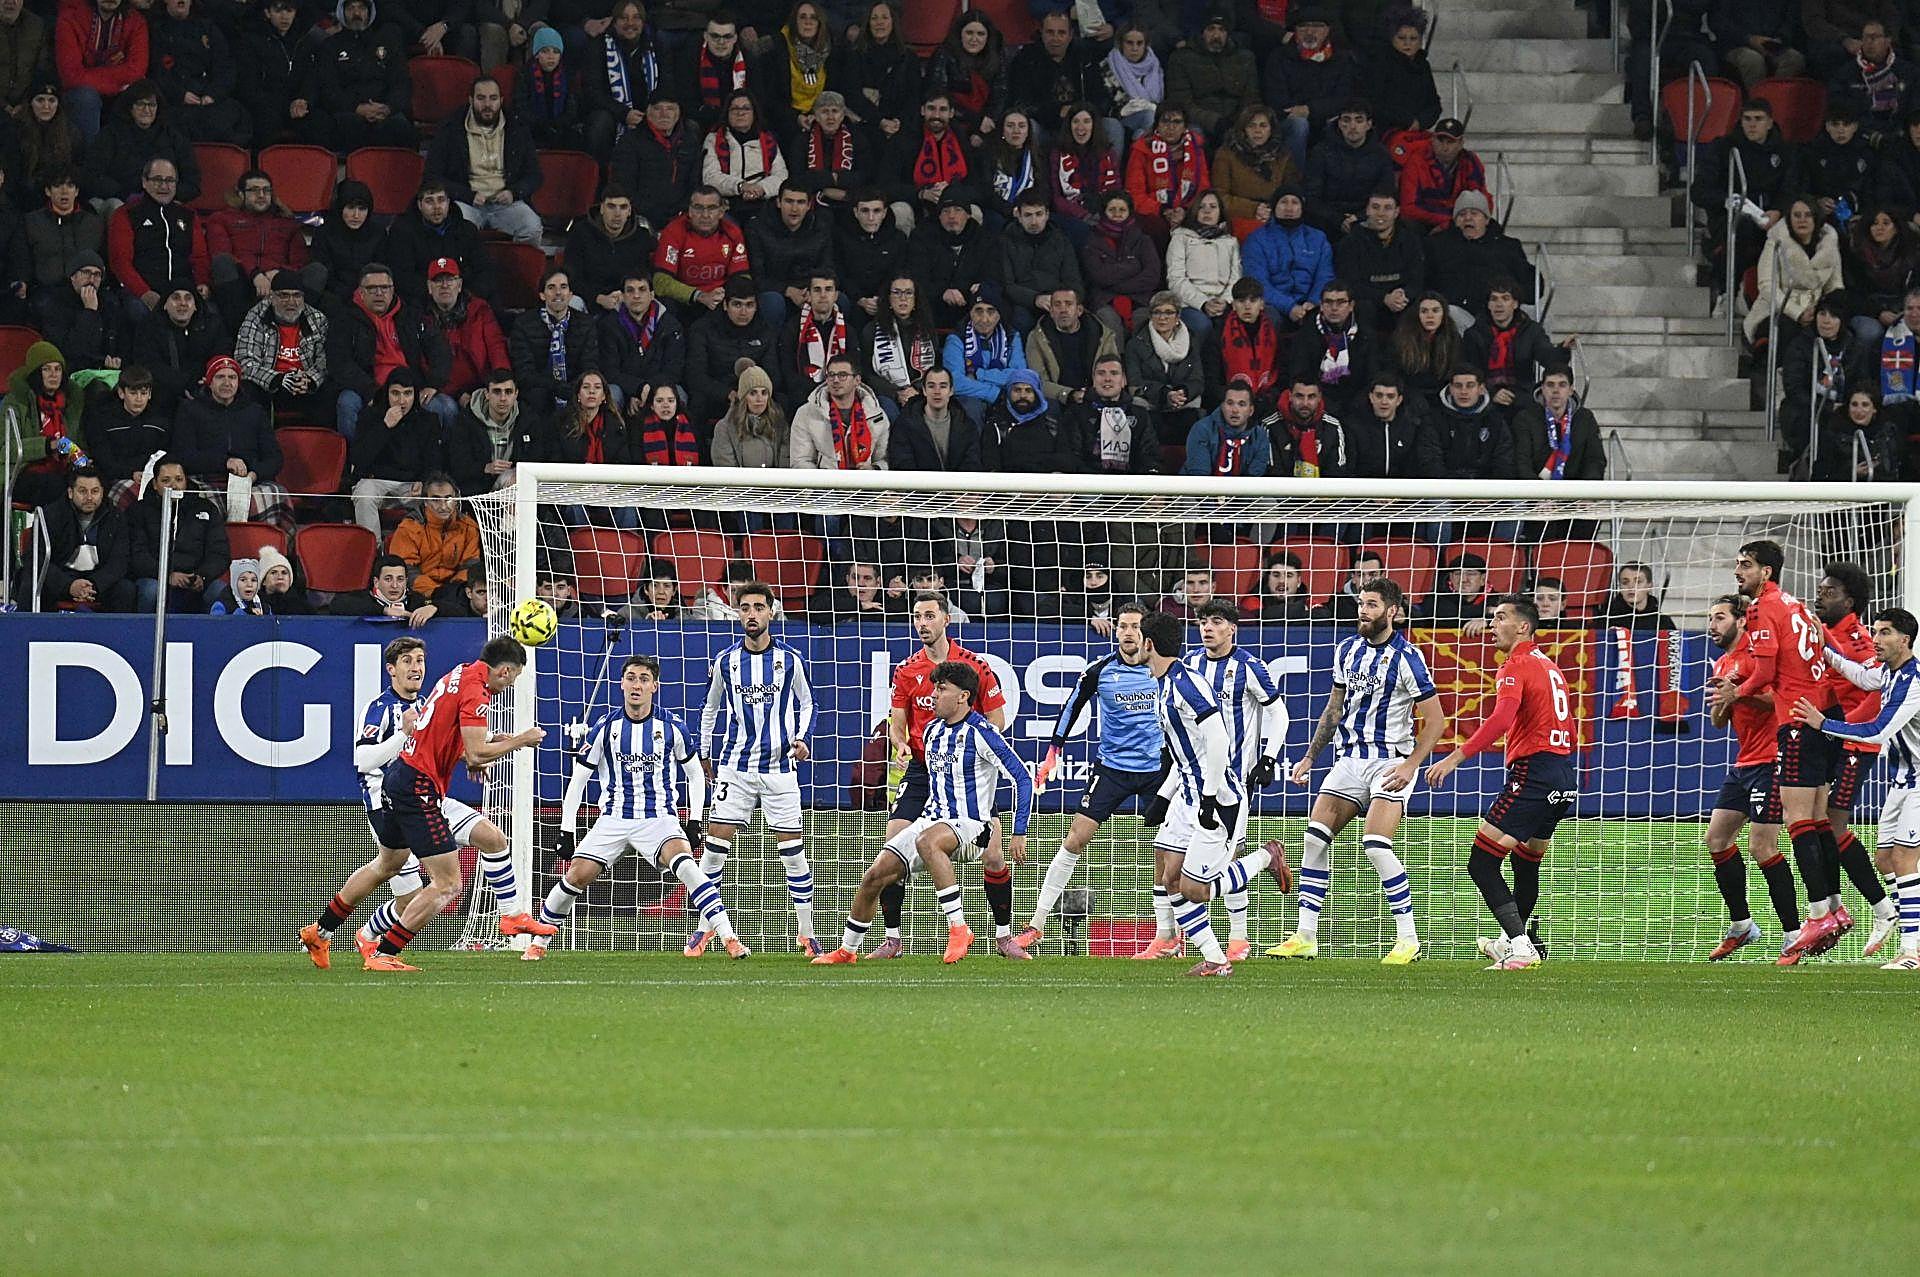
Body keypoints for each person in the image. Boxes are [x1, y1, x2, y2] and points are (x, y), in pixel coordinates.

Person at [313, 635, 546, 972]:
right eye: (407, 660)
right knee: (446, 883)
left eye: (419, 659)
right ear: (506, 672)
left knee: (487, 840)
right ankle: (381, 951)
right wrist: (521, 739)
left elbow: (458, 741)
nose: (416, 666)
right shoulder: (393, 705)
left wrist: (485, 747)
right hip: (411, 789)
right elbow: (364, 759)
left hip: (414, 784)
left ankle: (322, 930)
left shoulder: (458, 674)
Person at [813, 656, 1034, 965]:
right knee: (874, 876)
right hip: (933, 820)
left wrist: (1018, 832)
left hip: (973, 826)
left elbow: (1023, 779)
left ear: (962, 697)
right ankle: (847, 950)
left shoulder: (983, 733)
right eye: (934, 688)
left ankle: (959, 928)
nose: (933, 695)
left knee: (926, 841)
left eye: (941, 689)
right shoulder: (931, 731)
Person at [533, 653, 749, 962]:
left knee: (688, 866)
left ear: (655, 687)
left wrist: (695, 820)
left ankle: (730, 938)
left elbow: (695, 775)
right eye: (631, 678)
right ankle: (538, 942)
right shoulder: (606, 728)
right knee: (575, 877)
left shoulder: (672, 727)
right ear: (621, 684)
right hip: (614, 818)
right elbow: (578, 780)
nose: (637, 685)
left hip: (658, 819)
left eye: (644, 679)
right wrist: (567, 830)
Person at [1269, 576, 1441, 961]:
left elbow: (1436, 720)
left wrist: (1412, 765)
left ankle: (1408, 939)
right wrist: (1311, 757)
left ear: (1392, 611)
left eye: (1372, 605)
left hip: (1390, 761)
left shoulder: (1408, 658)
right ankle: (1305, 936)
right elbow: (1333, 709)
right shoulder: (1346, 650)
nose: (1363, 611)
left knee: (1376, 845)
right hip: (1349, 761)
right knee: (1314, 839)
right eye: (1361, 604)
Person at [859, 592, 1018, 958]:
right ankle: (893, 939)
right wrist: (900, 745)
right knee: (893, 843)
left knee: (993, 856)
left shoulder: (974, 666)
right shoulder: (907, 671)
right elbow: (896, 725)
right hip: (920, 769)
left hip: (964, 772)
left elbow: (997, 720)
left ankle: (1004, 937)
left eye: (929, 616)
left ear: (946, 620)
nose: (922, 624)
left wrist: (976, 749)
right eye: (917, 617)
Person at [1425, 596, 1576, 969]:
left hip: (1534, 775)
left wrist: (1454, 757)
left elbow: (1500, 720)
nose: (1492, 625)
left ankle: (1521, 946)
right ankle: (1513, 941)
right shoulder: (1550, 666)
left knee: (1482, 862)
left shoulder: (1517, 664)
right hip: (1563, 777)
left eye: (1501, 617)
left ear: (1523, 627)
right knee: (1526, 862)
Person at [1135, 608, 1285, 976]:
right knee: (1167, 875)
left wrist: (1209, 795)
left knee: (1194, 890)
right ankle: (1216, 959)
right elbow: (1187, 752)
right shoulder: (1169, 680)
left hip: (1219, 796)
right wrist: (1166, 796)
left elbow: (1217, 737)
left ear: (1149, 644)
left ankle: (1266, 857)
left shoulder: (1187, 683)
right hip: (1187, 793)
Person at [1720, 540, 1845, 964]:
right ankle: (1832, 906)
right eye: (1737, 564)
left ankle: (1816, 918)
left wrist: (1737, 691)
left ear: (1767, 572)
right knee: (1815, 820)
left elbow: (1767, 672)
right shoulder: (1801, 606)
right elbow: (1834, 654)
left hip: (1795, 721)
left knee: (1798, 823)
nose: (1739, 571)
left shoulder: (1760, 609)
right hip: (1822, 717)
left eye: (1747, 565)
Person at [1016, 600, 1165, 950]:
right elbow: (1071, 708)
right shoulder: (1100, 671)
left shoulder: (1162, 671)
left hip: (1158, 769)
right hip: (1112, 769)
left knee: (1169, 849)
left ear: (1147, 633)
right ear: (1115, 630)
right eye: (1123, 626)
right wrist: (1053, 753)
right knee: (1074, 839)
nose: (1129, 633)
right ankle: (1036, 924)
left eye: (1135, 626)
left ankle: (1167, 936)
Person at [691, 580, 820, 954]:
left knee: (794, 852)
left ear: (771, 612)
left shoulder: (790, 660)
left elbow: (809, 703)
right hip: (735, 768)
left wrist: (802, 737)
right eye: (745, 608)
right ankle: (707, 928)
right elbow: (710, 708)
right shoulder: (725, 661)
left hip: (780, 769)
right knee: (714, 850)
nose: (751, 614)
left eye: (758, 607)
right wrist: (704, 751)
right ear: (737, 613)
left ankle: (806, 933)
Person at [1800, 605, 1920, 968]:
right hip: (1905, 776)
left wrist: (1823, 724)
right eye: (1875, 631)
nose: (1875, 639)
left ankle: (1912, 950)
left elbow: (1877, 730)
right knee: (1885, 858)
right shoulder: (1887, 672)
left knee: (1903, 858)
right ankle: (1911, 933)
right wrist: (1823, 649)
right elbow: (1862, 677)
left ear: (1905, 639)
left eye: (1884, 633)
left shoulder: (1913, 681)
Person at [1179, 601, 1290, 959]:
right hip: (1195, 778)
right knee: (1175, 856)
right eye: (1202, 621)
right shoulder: (1190, 665)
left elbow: (1279, 713)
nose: (1207, 628)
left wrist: (1269, 758)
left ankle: (1237, 938)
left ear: (1232, 629)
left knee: (1229, 854)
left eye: (1216, 622)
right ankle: (1171, 937)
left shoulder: (1249, 667)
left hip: (1232, 781)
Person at [1702, 588, 1800, 954]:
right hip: (1744, 763)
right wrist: (1722, 700)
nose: (1713, 625)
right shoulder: (1721, 664)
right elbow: (1717, 722)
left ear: (1742, 620)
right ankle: (1742, 924)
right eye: (1710, 618)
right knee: (1717, 840)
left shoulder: (1759, 658)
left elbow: (1781, 699)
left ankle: (1793, 934)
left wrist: (1739, 692)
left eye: (1720, 618)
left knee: (1763, 846)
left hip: (1772, 760)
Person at [1812, 560, 1901, 952]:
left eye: (1830, 592)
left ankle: (1882, 909)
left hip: (1854, 744)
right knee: (1816, 824)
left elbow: (1875, 692)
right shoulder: (1825, 632)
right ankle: (1834, 907)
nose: (1820, 596)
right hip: (1834, 739)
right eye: (1820, 589)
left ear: (1850, 601)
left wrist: (1844, 729)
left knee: (1831, 825)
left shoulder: (1862, 642)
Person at [328, 264, 456, 441]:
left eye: (384, 288)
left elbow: (439, 348)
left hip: (408, 388)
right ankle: (352, 463)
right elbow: (339, 363)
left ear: (393, 289)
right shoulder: (345, 319)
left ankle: (438, 465)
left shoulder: (411, 315)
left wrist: (434, 383)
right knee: (347, 403)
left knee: (447, 407)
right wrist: (370, 390)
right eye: (372, 288)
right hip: (367, 387)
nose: (379, 293)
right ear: (361, 292)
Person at [424, 77, 545, 248]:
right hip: (466, 202)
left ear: (501, 100)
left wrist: (514, 192)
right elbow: (432, 175)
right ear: (471, 100)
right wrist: (467, 195)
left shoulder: (518, 128)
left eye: (493, 98)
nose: (487, 104)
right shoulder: (450, 128)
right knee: (454, 228)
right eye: (481, 98)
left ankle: (517, 272)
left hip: (507, 202)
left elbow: (535, 175)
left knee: (532, 227)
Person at [205, 171, 313, 332]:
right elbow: (221, 252)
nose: (261, 195)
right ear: (241, 194)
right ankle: (241, 332)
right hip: (240, 284)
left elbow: (300, 262)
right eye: (254, 190)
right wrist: (254, 274)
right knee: (222, 262)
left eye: (266, 190)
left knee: (317, 271)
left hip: (279, 285)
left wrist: (278, 273)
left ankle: (296, 334)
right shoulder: (222, 218)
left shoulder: (286, 222)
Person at [15, 465, 132, 610]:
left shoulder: (116, 517)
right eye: (82, 491)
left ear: (103, 493)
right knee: (31, 583)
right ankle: (29, 631)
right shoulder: (51, 515)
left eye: (95, 491)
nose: (89, 497)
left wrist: (94, 584)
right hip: (60, 578)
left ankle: (116, 633)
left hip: (96, 581)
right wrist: (68, 585)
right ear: (70, 492)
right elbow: (35, 558)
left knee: (125, 589)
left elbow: (119, 561)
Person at [105, 157, 209, 313]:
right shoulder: (125, 214)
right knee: (138, 311)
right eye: (157, 180)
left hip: (182, 293)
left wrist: (202, 283)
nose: (164, 186)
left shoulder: (188, 215)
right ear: (144, 182)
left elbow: (199, 257)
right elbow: (120, 262)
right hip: (141, 292)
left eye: (170, 181)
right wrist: (145, 294)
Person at [127, 454, 226, 613]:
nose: (174, 485)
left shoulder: (206, 508)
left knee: (219, 590)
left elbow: (219, 552)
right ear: (154, 484)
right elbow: (136, 555)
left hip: (195, 580)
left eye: (179, 479)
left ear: (186, 481)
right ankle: (143, 636)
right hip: (154, 577)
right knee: (151, 591)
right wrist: (167, 575)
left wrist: (202, 576)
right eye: (166, 481)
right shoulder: (138, 511)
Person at [1261, 7, 1355, 168]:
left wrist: (1310, 109)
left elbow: (1344, 97)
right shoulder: (1279, 57)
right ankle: (1294, 180)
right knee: (1299, 124)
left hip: (1325, 119)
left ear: (1327, 30)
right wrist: (1302, 112)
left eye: (1317, 26)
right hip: (1289, 122)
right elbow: (1276, 99)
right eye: (1303, 26)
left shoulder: (1342, 59)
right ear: (1295, 31)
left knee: (1344, 123)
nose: (1310, 31)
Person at [508, 267, 605, 413]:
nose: (558, 292)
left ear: (571, 294)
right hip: (540, 390)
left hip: (576, 388)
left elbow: (589, 365)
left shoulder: (586, 323)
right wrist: (556, 387)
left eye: (563, 287)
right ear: (542, 295)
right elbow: (524, 373)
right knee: (537, 397)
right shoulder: (523, 324)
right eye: (551, 287)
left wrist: (575, 388)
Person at [233, 272, 330, 419]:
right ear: (272, 297)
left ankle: (320, 440)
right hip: (270, 384)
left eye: (297, 295)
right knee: (247, 388)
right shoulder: (256, 316)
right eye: (284, 295)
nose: (291, 301)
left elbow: (325, 361)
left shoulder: (317, 319)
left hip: (305, 385)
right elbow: (244, 361)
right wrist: (278, 379)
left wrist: (309, 380)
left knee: (331, 389)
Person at [610, 91, 704, 237]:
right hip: (642, 216)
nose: (664, 114)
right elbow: (624, 185)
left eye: (670, 109)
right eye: (657, 109)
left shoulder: (690, 142)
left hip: (682, 215)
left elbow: (695, 183)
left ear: (678, 113)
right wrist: (650, 212)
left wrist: (683, 210)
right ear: (647, 112)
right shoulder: (630, 142)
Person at [420, 258, 509, 411]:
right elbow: (422, 363)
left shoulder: (480, 310)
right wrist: (455, 392)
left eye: (450, 280)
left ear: (459, 285)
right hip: (442, 389)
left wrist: (501, 382)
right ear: (429, 287)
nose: (445, 286)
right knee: (442, 407)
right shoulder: (420, 318)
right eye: (438, 281)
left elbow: (496, 346)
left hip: (481, 385)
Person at [685, 275, 778, 422]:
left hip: (755, 395)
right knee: (698, 401)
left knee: (782, 400)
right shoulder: (702, 329)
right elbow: (696, 376)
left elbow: (773, 374)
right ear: (725, 305)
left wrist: (754, 392)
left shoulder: (765, 331)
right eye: (737, 304)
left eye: (749, 305)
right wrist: (728, 394)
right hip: (718, 395)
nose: (743, 312)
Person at [55, 0, 150, 142]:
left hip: (114, 91)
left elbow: (137, 70)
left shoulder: (135, 21)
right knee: (86, 97)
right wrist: (117, 80)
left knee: (142, 92)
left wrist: (91, 74)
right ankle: (91, 160)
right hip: (80, 93)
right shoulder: (70, 18)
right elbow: (71, 76)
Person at [1334, 187, 1423, 333]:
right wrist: (1384, 298)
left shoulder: (1410, 240)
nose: (1381, 213)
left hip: (1400, 302)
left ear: (1396, 212)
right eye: (1375, 207)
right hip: (1367, 305)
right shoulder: (1350, 243)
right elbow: (1349, 284)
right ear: (1367, 210)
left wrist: (1403, 294)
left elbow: (1417, 279)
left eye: (1387, 208)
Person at [652, 186, 751, 316]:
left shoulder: (732, 232)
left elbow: (742, 276)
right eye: (698, 208)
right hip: (684, 302)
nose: (705, 215)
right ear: (690, 211)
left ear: (721, 212)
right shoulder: (673, 232)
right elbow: (661, 282)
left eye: (711, 208)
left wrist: (726, 294)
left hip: (719, 300)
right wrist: (699, 296)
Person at [1306, 99, 1398, 238]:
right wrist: (1338, 219)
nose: (1352, 126)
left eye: (1359, 120)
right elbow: (1312, 196)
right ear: (1339, 123)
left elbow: (1385, 193)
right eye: (1346, 120)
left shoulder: (1381, 154)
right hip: (1327, 219)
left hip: (1367, 218)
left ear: (1369, 124)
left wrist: (1359, 217)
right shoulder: (1321, 151)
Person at [1241, 184, 1332, 324]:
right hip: (1274, 305)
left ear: (1302, 208)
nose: (1289, 208)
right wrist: (1289, 307)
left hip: (1310, 304)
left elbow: (1324, 276)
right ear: (1274, 207)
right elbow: (1258, 282)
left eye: (1295, 202)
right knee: (1269, 318)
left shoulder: (1318, 238)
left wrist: (1313, 302)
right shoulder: (1257, 239)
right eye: (1283, 202)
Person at [580, 1, 661, 155]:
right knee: (600, 122)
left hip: (648, 111)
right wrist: (624, 113)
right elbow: (593, 92)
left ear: (643, 23)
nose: (630, 23)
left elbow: (666, 83)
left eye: (636, 18)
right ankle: (600, 176)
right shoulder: (598, 46)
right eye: (624, 18)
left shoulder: (655, 44)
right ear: (614, 23)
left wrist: (653, 110)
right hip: (613, 113)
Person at [1288, 278, 1373, 420]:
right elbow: (1299, 374)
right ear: (1321, 305)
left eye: (1340, 302)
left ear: (1351, 305)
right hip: (1318, 403)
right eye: (1328, 302)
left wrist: (1356, 403)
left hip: (1356, 403)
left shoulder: (1364, 334)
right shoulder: (1307, 333)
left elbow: (1371, 375)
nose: (1334, 308)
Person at [1165, 12, 1258, 141]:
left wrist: (1239, 121)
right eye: (1211, 29)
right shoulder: (1181, 58)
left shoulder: (1245, 58)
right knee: (1193, 134)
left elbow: (1251, 97)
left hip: (1238, 121)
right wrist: (1214, 122)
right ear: (1202, 32)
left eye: (1222, 30)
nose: (1216, 35)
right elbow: (1181, 103)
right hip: (1199, 122)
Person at [1124, 102, 1209, 238]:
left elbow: (1203, 187)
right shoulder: (1142, 149)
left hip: (1188, 210)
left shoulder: (1196, 148)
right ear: (1157, 124)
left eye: (1177, 122)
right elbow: (1134, 193)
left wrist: (1185, 210)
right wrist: (1162, 210)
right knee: (1155, 228)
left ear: (1185, 127)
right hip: (1154, 213)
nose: (1171, 127)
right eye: (1165, 121)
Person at [388, 474, 480, 600]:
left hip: (456, 594)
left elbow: (470, 567)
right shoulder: (408, 528)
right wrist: (435, 593)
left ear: (457, 499)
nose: (443, 506)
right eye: (436, 500)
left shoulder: (469, 527)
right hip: (418, 594)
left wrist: (453, 591)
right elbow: (406, 570)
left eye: (448, 499)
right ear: (425, 501)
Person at [667, 12, 762, 133]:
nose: (721, 42)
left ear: (735, 38)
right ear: (705, 36)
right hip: (702, 121)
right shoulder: (691, 58)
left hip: (740, 120)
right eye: (715, 36)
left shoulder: (749, 61)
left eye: (727, 36)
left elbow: (758, 99)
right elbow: (685, 100)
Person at [703, 91, 788, 226]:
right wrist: (741, 186)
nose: (740, 113)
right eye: (735, 109)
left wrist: (760, 188)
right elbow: (710, 177)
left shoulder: (768, 140)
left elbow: (781, 176)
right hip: (726, 205)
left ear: (754, 113)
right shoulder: (714, 139)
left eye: (746, 108)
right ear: (727, 113)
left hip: (762, 203)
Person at [790, 354, 889, 470]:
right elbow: (800, 461)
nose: (835, 380)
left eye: (842, 375)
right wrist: (825, 483)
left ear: (857, 380)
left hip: (866, 485)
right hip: (823, 486)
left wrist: (874, 469)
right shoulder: (806, 413)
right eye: (831, 375)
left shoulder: (877, 415)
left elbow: (885, 460)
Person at [1165, 191, 1239, 340]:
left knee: (1234, 325)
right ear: (1194, 211)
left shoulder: (1230, 242)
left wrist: (1225, 301)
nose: (1207, 211)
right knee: (1201, 325)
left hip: (1222, 303)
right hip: (1189, 305)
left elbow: (1236, 277)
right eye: (1201, 207)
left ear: (1220, 212)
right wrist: (1203, 303)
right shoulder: (1180, 237)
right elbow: (1176, 279)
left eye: (1213, 207)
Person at [1510, 364, 1604, 481]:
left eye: (1562, 385)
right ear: (1543, 389)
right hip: (1533, 493)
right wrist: (1536, 495)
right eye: (1550, 385)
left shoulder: (1585, 418)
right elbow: (1521, 461)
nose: (1556, 390)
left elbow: (1595, 460)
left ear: (1570, 390)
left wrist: (1586, 495)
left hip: (1575, 492)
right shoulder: (1525, 418)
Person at [1047, 103, 1122, 250]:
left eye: (1086, 121)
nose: (1081, 127)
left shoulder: (1108, 153)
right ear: (1069, 126)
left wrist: (1107, 213)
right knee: (1083, 231)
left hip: (1104, 210)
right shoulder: (1057, 153)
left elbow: (1116, 189)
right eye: (1076, 121)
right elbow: (1056, 198)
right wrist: (1084, 215)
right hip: (1072, 213)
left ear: (1094, 125)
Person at [1027, 287, 1118, 407]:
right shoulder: (1037, 338)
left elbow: (1113, 374)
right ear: (1051, 312)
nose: (1063, 310)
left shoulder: (1102, 334)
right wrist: (1068, 394)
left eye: (1068, 304)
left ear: (1079, 310)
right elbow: (1038, 381)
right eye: (1057, 305)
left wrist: (1095, 394)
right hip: (1059, 400)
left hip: (1097, 396)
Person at [943, 295, 1027, 423]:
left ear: (999, 314)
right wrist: (994, 393)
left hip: (1006, 394)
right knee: (972, 407)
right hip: (972, 397)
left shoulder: (1011, 336)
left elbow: (1020, 376)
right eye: (978, 311)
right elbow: (954, 381)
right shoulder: (956, 338)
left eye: (991, 311)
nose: (984, 319)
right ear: (970, 313)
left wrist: (979, 374)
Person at [1398, 116, 1488, 233]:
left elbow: (1482, 201)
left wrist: (1450, 223)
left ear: (1461, 143)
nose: (1445, 147)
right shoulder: (1416, 161)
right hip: (1426, 223)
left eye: (1450, 142)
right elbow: (1408, 208)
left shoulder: (1471, 161)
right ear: (1432, 140)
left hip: (1460, 221)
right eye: (1440, 141)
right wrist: (1449, 221)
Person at [888, 368, 980, 471]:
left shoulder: (967, 425)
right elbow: (901, 464)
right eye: (931, 386)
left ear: (951, 391)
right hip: (918, 485)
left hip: (957, 486)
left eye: (943, 386)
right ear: (924, 390)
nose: (937, 392)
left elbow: (972, 465)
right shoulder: (905, 423)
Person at [1182, 380, 1272, 478]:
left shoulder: (1260, 436)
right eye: (1230, 403)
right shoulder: (1202, 429)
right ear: (1222, 406)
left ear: (1251, 410)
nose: (1235, 410)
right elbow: (1199, 476)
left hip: (1244, 491)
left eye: (1241, 404)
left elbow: (1254, 478)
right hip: (1199, 490)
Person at [710, 364, 792, 470]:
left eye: (764, 393)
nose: (759, 399)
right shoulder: (724, 428)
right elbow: (726, 471)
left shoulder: (780, 425)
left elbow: (785, 467)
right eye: (753, 393)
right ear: (743, 397)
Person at [1597, 561, 1678, 631]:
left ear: (1649, 586)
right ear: (1620, 587)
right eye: (1625, 583)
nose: (1631, 587)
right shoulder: (1606, 619)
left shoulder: (1663, 622)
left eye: (1638, 582)